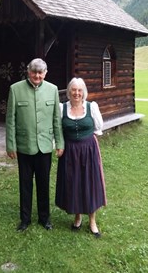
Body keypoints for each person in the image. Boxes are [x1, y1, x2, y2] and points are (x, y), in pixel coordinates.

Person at [6, 58, 64, 232]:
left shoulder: (52, 89)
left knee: (43, 183)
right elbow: (10, 120)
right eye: (34, 72)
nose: (37, 76)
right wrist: (11, 145)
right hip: (24, 146)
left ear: (45, 73)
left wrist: (59, 142)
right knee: (25, 184)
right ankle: (25, 220)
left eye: (40, 73)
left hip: (45, 146)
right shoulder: (15, 89)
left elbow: (56, 119)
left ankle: (44, 219)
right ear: (28, 72)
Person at [55, 77, 106, 238]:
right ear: (69, 92)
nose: (76, 93)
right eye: (73, 90)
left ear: (83, 92)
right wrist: (58, 145)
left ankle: (92, 220)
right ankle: (77, 216)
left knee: (90, 182)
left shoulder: (91, 107)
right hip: (69, 150)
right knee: (74, 182)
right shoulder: (62, 108)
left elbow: (99, 127)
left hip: (88, 149)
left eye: (79, 90)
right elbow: (56, 129)